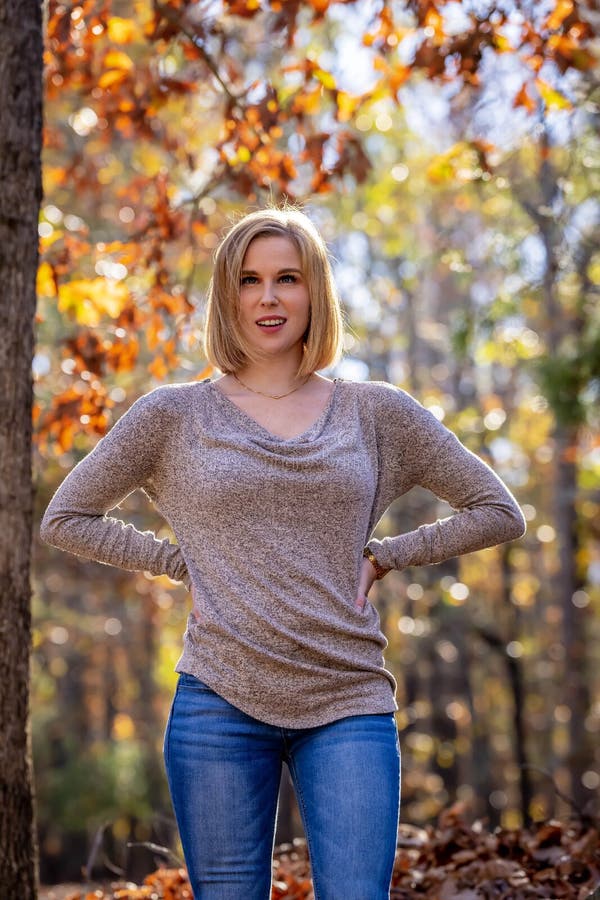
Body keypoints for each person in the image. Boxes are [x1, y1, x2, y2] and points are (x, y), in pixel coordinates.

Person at [39, 205, 526, 900]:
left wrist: (388, 554)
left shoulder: (376, 412)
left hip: (347, 697)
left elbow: (497, 511)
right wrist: (180, 565)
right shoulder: (171, 417)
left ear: (314, 291)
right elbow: (67, 516)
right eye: (249, 280)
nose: (268, 298)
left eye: (287, 279)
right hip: (218, 700)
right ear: (226, 295)